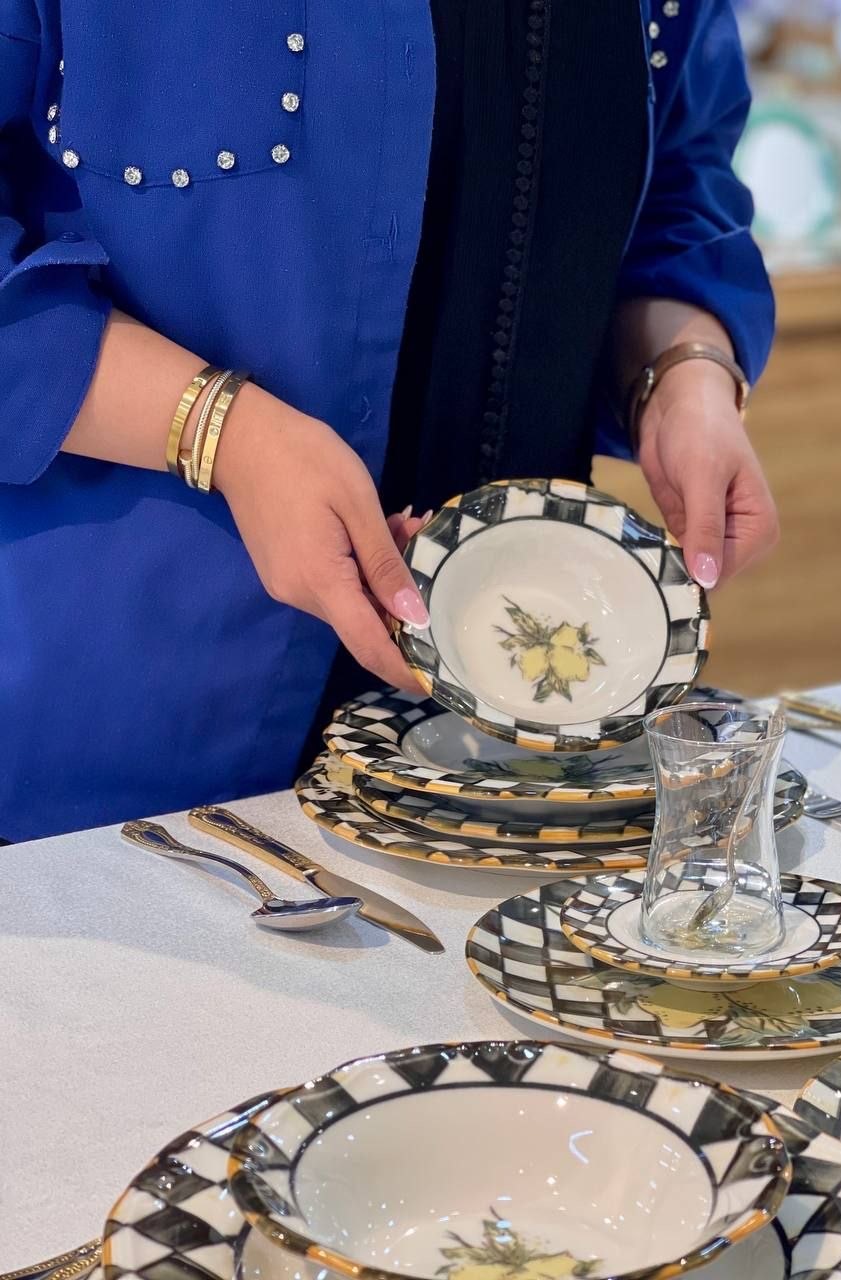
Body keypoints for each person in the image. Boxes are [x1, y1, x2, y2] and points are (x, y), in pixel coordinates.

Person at [0, 0, 778, 842]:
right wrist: (223, 433)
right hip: (123, 749)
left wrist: (685, 374)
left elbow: (677, 190)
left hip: (512, 767)